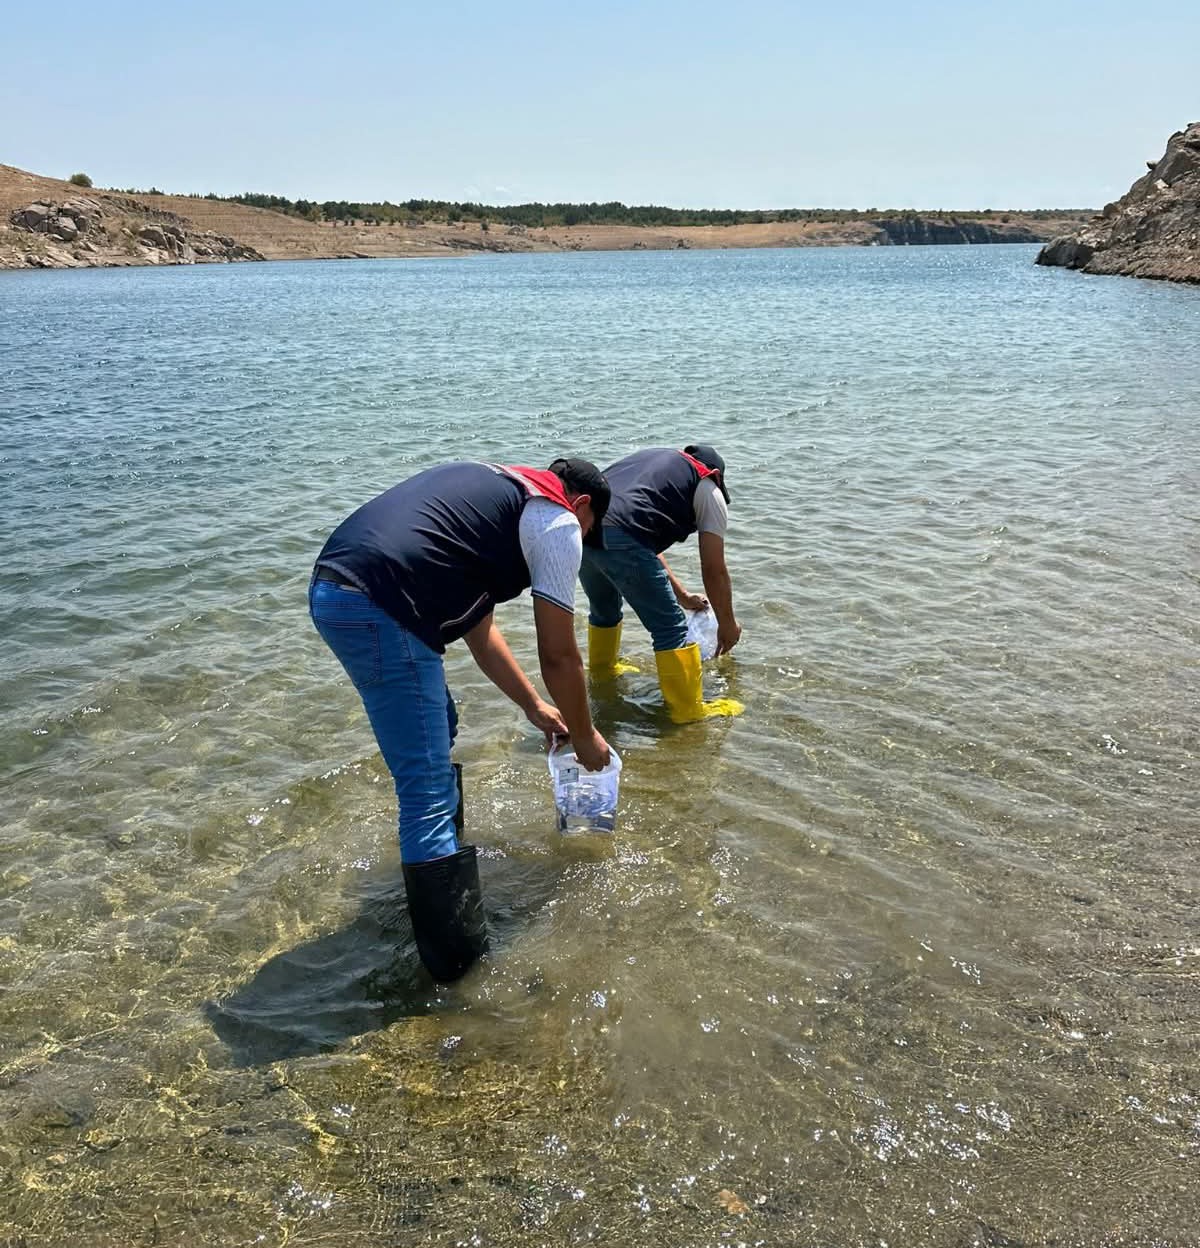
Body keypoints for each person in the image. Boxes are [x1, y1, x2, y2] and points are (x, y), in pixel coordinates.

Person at [309, 458, 613, 982]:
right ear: (581, 505)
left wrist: (534, 707)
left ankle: (437, 868)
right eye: (591, 530)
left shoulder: (498, 498)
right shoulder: (558, 520)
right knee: (425, 790)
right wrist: (585, 737)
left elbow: (481, 636)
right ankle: (460, 978)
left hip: (335, 588)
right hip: (379, 601)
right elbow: (560, 656)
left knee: (437, 727)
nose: (584, 541)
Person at [580, 445, 744, 723]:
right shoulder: (709, 488)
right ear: (715, 475)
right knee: (670, 627)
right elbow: (714, 569)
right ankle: (688, 711)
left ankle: (603, 671)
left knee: (604, 608)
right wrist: (727, 624)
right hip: (622, 533)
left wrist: (682, 595)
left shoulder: (657, 463)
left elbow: (643, 536)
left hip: (584, 529)